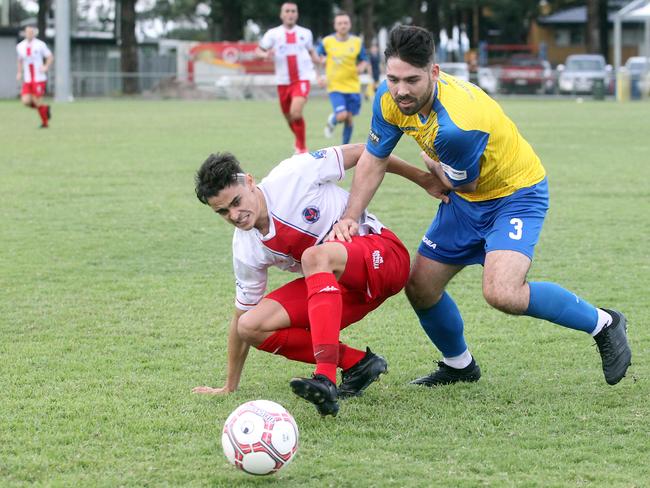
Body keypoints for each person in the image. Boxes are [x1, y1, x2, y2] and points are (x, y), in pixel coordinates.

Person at [331, 25, 631, 388]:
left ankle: (604, 323)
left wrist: (434, 167)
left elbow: (463, 182)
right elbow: (374, 158)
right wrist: (350, 217)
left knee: (502, 293)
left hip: (514, 195)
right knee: (421, 286)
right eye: (393, 79)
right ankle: (459, 366)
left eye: (412, 79)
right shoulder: (388, 100)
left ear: (434, 72)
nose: (401, 90)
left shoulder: (458, 125)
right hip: (466, 202)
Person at [192, 144, 439, 416]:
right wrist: (229, 385)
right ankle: (359, 363)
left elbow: (366, 152)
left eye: (236, 202)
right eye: (223, 212)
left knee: (313, 257)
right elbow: (241, 313)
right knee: (250, 326)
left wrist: (423, 179)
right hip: (340, 292)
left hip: (385, 259)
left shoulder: (292, 174)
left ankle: (325, 378)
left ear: (249, 181)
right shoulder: (245, 248)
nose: (234, 216)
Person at [256, 2, 318, 154]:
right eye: (287, 11)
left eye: (293, 11)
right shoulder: (273, 34)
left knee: (296, 112)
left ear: (297, 14)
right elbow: (258, 51)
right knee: (289, 116)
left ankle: (302, 148)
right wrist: (265, 55)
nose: (290, 14)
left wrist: (319, 64)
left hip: (302, 79)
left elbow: (312, 53)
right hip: (283, 81)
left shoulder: (306, 33)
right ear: (282, 15)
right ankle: (299, 141)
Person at [317, 12, 367, 144]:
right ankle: (332, 121)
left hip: (353, 86)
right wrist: (319, 76)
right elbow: (317, 58)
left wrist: (361, 67)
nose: (343, 25)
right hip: (335, 86)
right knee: (342, 115)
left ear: (350, 25)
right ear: (335, 25)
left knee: (349, 119)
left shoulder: (357, 42)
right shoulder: (327, 42)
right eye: (340, 23)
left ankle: (345, 148)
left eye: (345, 23)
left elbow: (363, 60)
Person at [16, 26, 53, 128]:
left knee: (37, 101)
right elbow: (20, 60)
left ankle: (45, 123)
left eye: (31, 32)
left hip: (39, 78)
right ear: (25, 33)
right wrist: (19, 72)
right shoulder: (20, 46)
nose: (29, 34)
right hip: (28, 78)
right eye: (27, 32)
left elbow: (50, 57)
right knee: (26, 101)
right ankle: (45, 109)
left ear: (34, 33)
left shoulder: (40, 45)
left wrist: (45, 66)